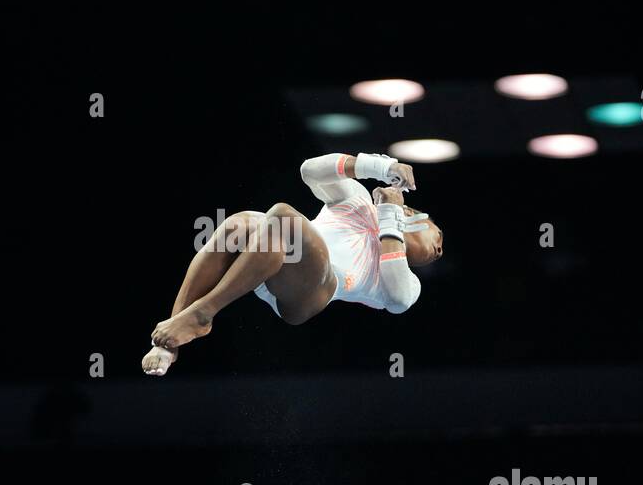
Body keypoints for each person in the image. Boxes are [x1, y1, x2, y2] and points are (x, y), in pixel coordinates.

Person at [142, 152, 444, 375]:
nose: (440, 249)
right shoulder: (358, 199)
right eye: (438, 236)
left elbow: (398, 298)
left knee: (282, 215)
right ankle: (167, 344)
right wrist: (378, 166)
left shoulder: (409, 282)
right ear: (412, 214)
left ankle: (204, 311)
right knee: (239, 224)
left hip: (311, 290)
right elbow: (310, 170)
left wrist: (390, 213)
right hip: (263, 262)